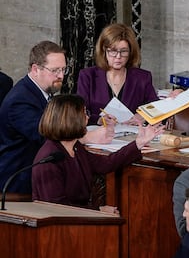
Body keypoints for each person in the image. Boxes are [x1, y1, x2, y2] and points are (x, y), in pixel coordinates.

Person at [0, 40, 113, 195]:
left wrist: (95, 120)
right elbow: (47, 135)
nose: (61, 76)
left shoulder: (40, 91)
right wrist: (87, 136)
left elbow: (59, 119)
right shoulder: (19, 100)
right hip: (20, 183)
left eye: (63, 70)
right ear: (35, 69)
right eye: (55, 70)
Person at [32, 94, 164, 210]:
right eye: (84, 114)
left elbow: (106, 164)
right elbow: (56, 208)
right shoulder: (49, 158)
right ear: (70, 119)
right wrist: (97, 211)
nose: (87, 118)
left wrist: (138, 143)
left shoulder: (75, 147)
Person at [77, 23, 158, 125]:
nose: (118, 56)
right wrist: (98, 120)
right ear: (104, 51)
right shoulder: (88, 76)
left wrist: (144, 116)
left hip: (131, 136)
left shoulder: (142, 77)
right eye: (113, 51)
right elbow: (79, 112)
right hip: (97, 135)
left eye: (124, 51)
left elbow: (155, 107)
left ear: (130, 52)